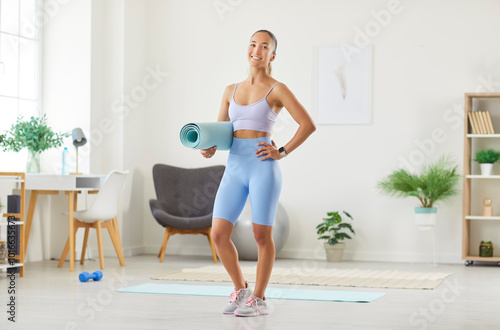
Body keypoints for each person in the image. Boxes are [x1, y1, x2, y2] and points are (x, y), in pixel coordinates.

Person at [201, 29, 316, 317]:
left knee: (261, 236)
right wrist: (209, 147)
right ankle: (241, 289)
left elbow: (307, 124)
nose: (257, 49)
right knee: (218, 234)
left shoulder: (277, 89)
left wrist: (282, 151)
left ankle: (259, 298)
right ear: (247, 49)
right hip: (235, 167)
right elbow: (221, 132)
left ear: (272, 55)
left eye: (264, 46)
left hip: (263, 167)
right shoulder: (230, 90)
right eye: (253, 44)